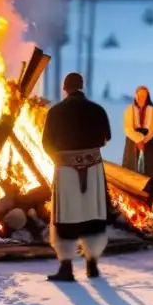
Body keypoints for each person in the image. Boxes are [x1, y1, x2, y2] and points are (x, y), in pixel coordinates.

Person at [42, 72, 113, 282]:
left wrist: (60, 157)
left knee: (66, 218)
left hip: (66, 171)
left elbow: (46, 143)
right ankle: (92, 264)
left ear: (65, 88)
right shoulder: (97, 110)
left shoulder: (55, 112)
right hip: (93, 169)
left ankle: (66, 267)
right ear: (82, 86)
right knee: (93, 215)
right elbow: (106, 137)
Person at [121, 86, 153, 181]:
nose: (140, 97)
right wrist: (138, 139)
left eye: (143, 95)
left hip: (148, 141)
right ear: (135, 96)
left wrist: (144, 140)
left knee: (148, 164)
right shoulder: (129, 109)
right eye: (139, 95)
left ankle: (149, 183)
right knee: (131, 163)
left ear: (147, 96)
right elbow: (127, 128)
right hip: (133, 141)